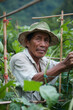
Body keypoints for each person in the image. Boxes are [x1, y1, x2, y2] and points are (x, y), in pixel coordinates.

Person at [10, 21, 73, 101]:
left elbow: (62, 66)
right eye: (38, 39)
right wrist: (63, 65)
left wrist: (68, 63)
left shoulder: (44, 61)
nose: (43, 44)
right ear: (27, 42)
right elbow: (32, 84)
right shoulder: (19, 58)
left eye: (46, 40)